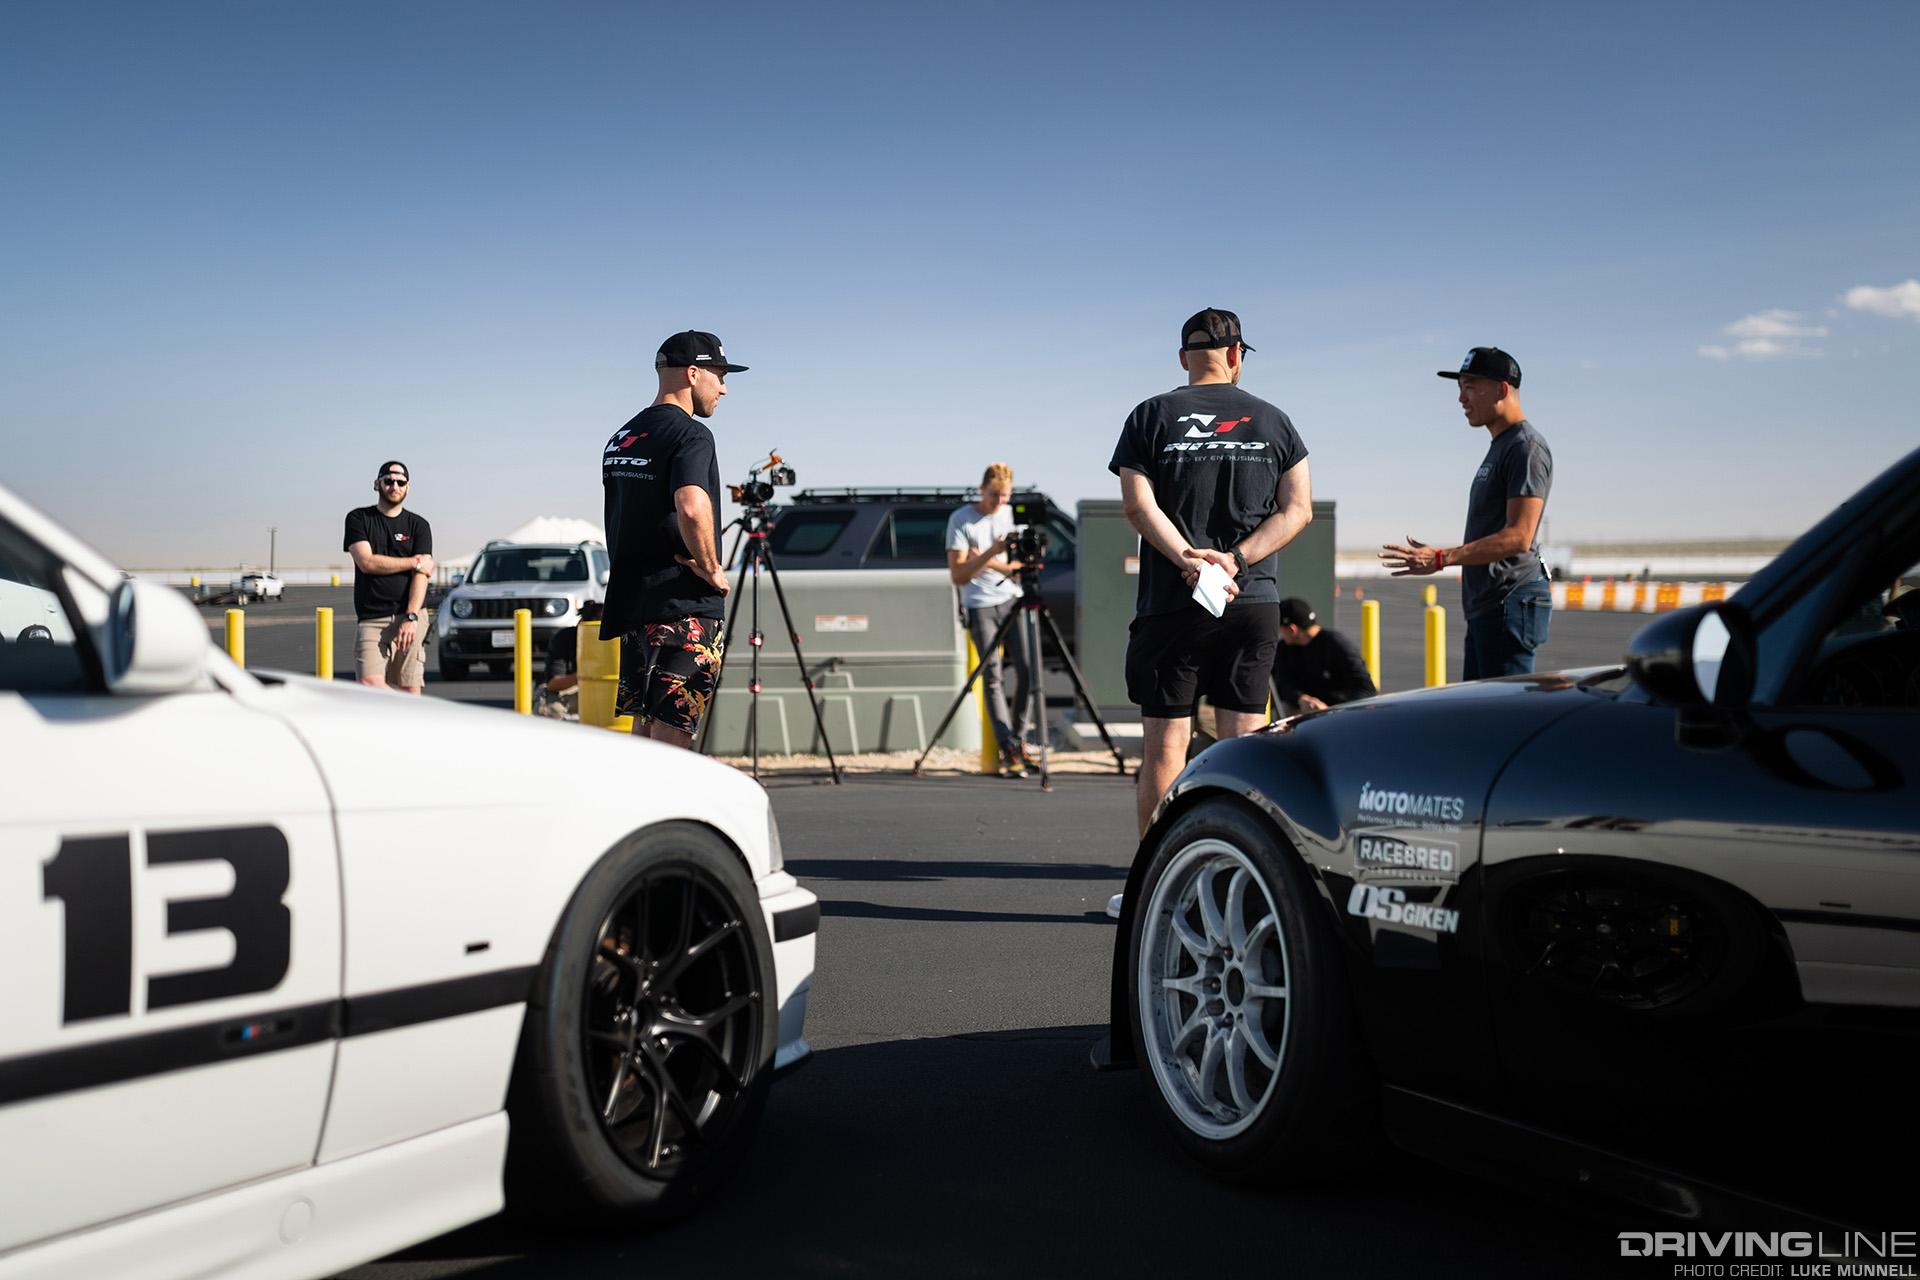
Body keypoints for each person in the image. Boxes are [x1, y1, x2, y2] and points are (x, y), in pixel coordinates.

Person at [1110, 307, 1313, 836]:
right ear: (1235, 355)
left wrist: (1188, 560)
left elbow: (1137, 506)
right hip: (1250, 602)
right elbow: (1298, 510)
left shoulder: (1149, 415)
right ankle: (1242, 876)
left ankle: (1160, 882)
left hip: (1173, 606)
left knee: (1166, 749)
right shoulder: (1275, 420)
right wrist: (1237, 559)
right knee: (1245, 751)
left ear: (1183, 358)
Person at [601, 331, 741, 748]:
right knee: (672, 734)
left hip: (636, 606)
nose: (724, 387)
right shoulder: (691, 434)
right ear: (693, 373)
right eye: (718, 375)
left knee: (645, 727)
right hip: (684, 608)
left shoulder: (624, 436)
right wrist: (712, 567)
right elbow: (692, 504)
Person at [1379, 347, 1553, 678]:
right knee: (1481, 713)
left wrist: (1442, 558)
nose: (1461, 398)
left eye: (1470, 387)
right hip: (1489, 604)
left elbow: (1519, 536)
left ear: (1502, 389)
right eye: (1460, 387)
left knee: (1500, 717)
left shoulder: (1525, 448)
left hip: (1509, 599)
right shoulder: (1502, 446)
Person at [946, 463, 1035, 776]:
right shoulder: (962, 519)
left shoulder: (1012, 514)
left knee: (1028, 671)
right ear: (982, 489)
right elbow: (958, 575)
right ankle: (1007, 747)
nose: (1000, 502)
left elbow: (1021, 563)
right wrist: (993, 555)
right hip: (980, 604)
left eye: (1005, 495)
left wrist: (988, 561)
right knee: (993, 676)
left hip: (1012, 599)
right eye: (994, 495)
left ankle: (1020, 739)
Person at [343, 460, 433, 694]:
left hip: (410, 616)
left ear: (408, 486)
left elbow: (421, 576)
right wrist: (414, 561)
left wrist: (412, 616)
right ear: (377, 484)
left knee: (409, 687)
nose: (395, 485)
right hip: (372, 617)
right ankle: (405, 712)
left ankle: (410, 725)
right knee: (369, 685)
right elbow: (367, 562)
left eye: (400, 482)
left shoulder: (419, 525)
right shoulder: (358, 519)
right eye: (389, 481)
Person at [1272, 596, 1376, 713]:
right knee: (1281, 710)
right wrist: (1301, 699)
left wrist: (1337, 711)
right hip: (1304, 709)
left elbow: (1366, 687)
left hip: (1339, 712)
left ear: (1292, 629)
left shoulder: (1335, 644)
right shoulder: (1284, 648)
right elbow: (1283, 684)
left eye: (1279, 628)